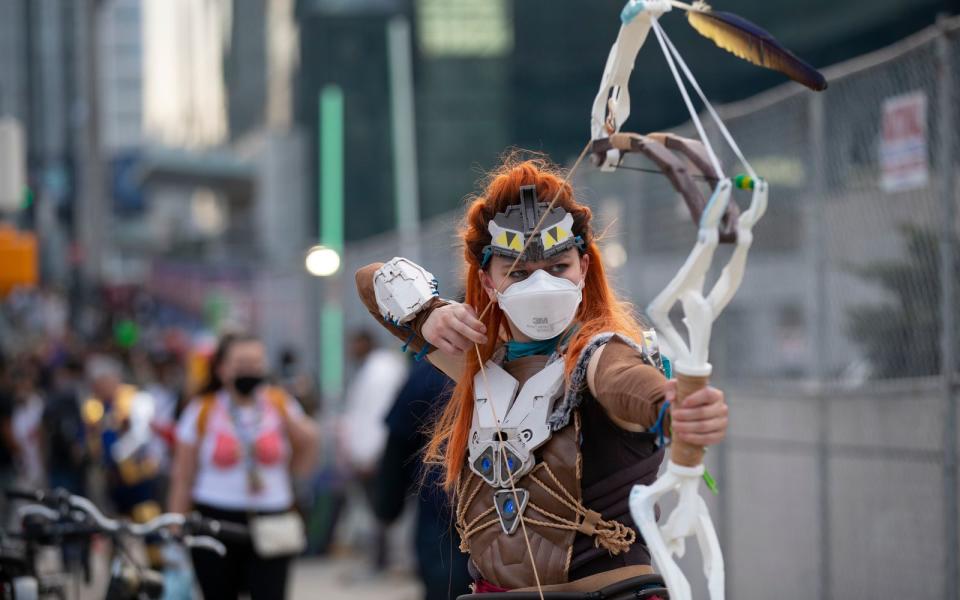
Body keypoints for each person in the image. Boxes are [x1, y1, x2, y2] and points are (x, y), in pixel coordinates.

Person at [354, 154, 729, 594]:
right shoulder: (478, 360)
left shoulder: (600, 355)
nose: (541, 285)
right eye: (518, 272)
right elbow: (369, 280)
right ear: (489, 282)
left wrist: (673, 407)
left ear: (584, 268)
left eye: (558, 267)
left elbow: (628, 384)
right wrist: (427, 315)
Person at [168, 333, 319, 600]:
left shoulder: (279, 403)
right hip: (214, 520)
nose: (250, 370)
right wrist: (175, 526)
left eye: (256, 363)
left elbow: (308, 446)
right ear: (222, 368)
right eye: (241, 363)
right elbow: (182, 475)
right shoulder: (202, 410)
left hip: (272, 519)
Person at [375, 359, 473, 600]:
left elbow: (398, 442)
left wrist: (388, 507)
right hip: (453, 513)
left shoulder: (430, 371)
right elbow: (399, 443)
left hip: (443, 513)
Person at [339, 330, 407, 572]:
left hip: (375, 454)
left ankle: (384, 560)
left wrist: (370, 455)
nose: (350, 351)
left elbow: (378, 416)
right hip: (369, 454)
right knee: (376, 510)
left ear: (365, 343)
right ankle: (381, 559)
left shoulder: (381, 372)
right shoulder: (371, 370)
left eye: (354, 345)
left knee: (382, 509)